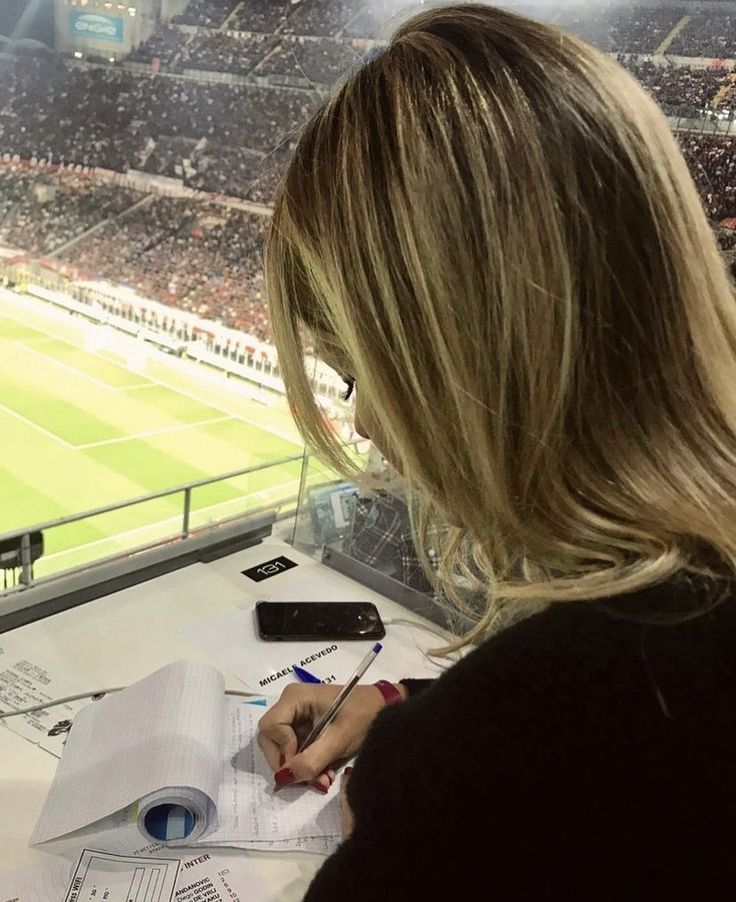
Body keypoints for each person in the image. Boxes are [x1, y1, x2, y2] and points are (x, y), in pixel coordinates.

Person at [257, 4, 736, 898]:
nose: (364, 427)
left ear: (465, 357)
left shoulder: (494, 773)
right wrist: (402, 706)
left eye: (363, 372)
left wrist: (418, 789)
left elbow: (572, 743)